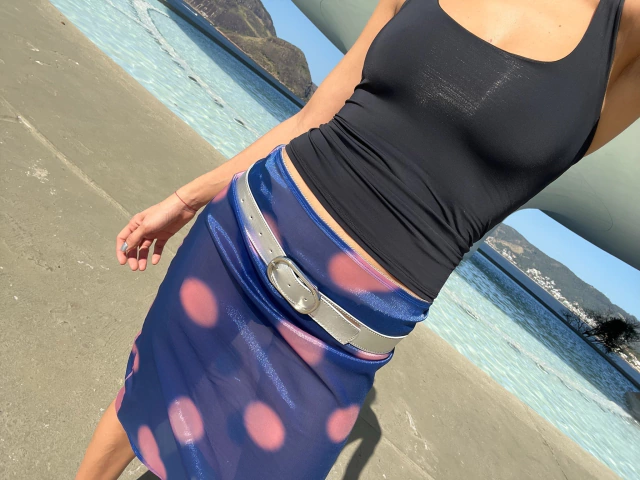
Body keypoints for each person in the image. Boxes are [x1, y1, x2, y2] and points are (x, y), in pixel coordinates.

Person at [76, 0, 640, 478]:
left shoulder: (622, 32)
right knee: (145, 395)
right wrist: (187, 198)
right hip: (241, 236)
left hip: (347, 334)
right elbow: (311, 119)